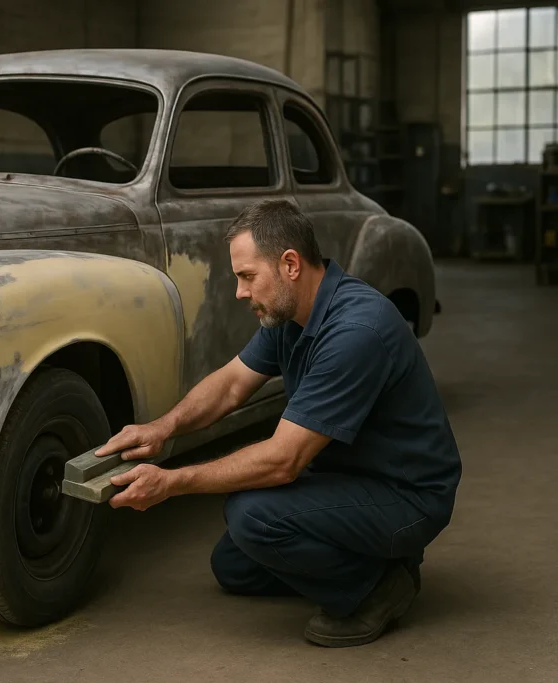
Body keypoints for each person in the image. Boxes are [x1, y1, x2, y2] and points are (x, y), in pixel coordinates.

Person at [95, 198, 462, 647]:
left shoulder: (356, 332)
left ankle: (378, 587)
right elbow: (231, 385)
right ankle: (370, 558)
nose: (239, 292)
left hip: (407, 495)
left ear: (290, 264)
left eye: (247, 276)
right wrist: (162, 429)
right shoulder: (291, 315)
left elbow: (283, 461)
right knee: (232, 566)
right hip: (348, 472)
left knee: (250, 516)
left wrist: (171, 482)